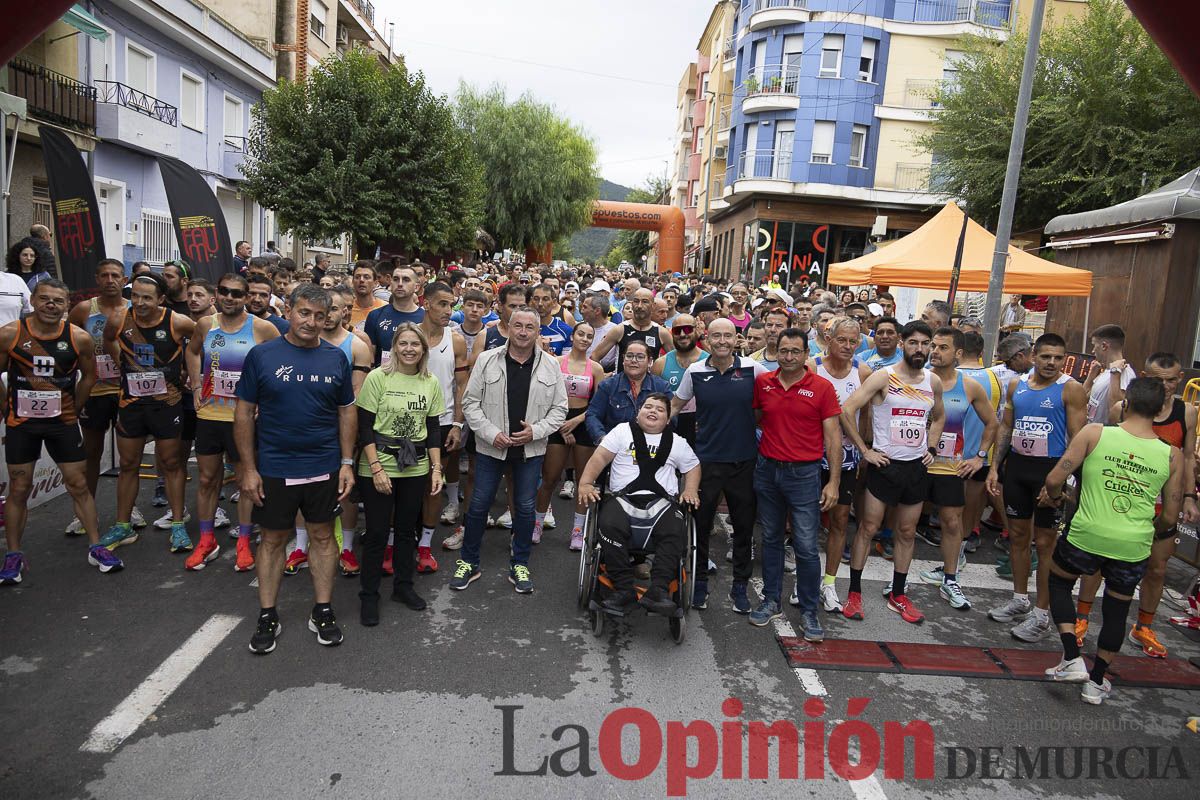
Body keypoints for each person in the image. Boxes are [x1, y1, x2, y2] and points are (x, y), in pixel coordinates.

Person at [1041, 378, 1182, 705]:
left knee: (1059, 584)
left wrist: (1059, 497)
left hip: (1086, 532)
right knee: (1117, 609)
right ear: (1161, 409)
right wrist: (1144, 527)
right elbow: (1170, 518)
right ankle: (1097, 681)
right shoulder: (1172, 455)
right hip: (1132, 544)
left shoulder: (1095, 433)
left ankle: (1072, 656)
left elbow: (1053, 479)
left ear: (1126, 403)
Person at [237, 284, 357, 653]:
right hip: (274, 467)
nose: (312, 322)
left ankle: (322, 610)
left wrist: (347, 462)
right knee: (273, 539)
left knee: (322, 538)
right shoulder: (262, 355)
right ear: (289, 310)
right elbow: (243, 412)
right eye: (305, 313)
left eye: (320, 316)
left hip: (322, 466)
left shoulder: (336, 357)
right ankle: (267, 614)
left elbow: (346, 411)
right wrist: (248, 468)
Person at [1075, 352, 1199, 657]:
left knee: (1157, 569)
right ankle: (1081, 619)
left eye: (1171, 380)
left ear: (1180, 379)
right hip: (1121, 497)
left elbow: (1187, 456)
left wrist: (1188, 496)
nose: (1166, 386)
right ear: (1144, 376)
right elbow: (1103, 446)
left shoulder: (1188, 412)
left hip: (1160, 504)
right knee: (1099, 563)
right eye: (1158, 380)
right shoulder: (1122, 408)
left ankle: (1143, 626)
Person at [0, 280, 123, 584]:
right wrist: (6, 406)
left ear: (67, 304)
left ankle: (96, 546)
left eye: (58, 300)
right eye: (45, 299)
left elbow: (89, 377)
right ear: (33, 300)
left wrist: (73, 408)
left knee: (78, 483)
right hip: (21, 423)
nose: (51, 305)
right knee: (18, 487)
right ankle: (13, 555)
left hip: (62, 422)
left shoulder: (78, 338)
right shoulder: (11, 333)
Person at [451, 306, 568, 594]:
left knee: (526, 509)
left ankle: (520, 563)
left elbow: (560, 409)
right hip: (491, 449)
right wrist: (492, 434)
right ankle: (469, 562)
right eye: (518, 326)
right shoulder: (487, 360)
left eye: (530, 327)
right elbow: (470, 403)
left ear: (538, 331)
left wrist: (535, 432)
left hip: (530, 450)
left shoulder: (552, 366)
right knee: (478, 505)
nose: (523, 332)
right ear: (508, 327)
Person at [839, 321, 946, 625]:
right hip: (885, 466)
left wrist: (933, 448)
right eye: (914, 343)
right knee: (868, 528)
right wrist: (865, 450)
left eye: (926, 344)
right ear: (902, 343)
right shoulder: (884, 377)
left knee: (907, 532)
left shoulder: (933, 381)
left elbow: (939, 418)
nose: (920, 349)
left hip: (915, 467)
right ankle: (854, 593)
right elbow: (847, 409)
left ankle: (898, 595)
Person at [986, 333, 1087, 642]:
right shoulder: (1018, 385)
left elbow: (1079, 441)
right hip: (1017, 468)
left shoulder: (1071, 389)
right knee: (1017, 537)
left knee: (1045, 545)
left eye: (1058, 357)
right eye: (1045, 357)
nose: (1051, 363)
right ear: (1033, 356)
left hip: (1049, 471)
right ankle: (1019, 599)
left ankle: (1042, 615)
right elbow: (1006, 426)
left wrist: (1061, 481)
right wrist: (994, 467)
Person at [750, 328, 843, 637]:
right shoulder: (763, 383)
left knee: (804, 546)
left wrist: (833, 483)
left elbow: (833, 439)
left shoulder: (822, 388)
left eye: (795, 352)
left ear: (806, 354)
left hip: (804, 475)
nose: (788, 357)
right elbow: (758, 419)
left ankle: (808, 610)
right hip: (768, 471)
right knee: (772, 540)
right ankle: (772, 599)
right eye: (783, 351)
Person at [184, 273, 280, 572]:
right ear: (217, 293)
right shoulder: (205, 324)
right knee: (206, 479)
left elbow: (279, 363)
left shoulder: (263, 328)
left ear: (247, 297)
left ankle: (244, 542)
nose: (230, 297)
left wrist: (265, 401)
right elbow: (192, 350)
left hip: (243, 419)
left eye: (237, 294)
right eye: (224, 291)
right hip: (210, 415)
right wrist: (197, 384)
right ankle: (206, 539)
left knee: (246, 482)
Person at [672, 319, 768, 613]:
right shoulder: (695, 370)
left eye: (728, 335)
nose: (722, 341)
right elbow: (675, 405)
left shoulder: (755, 369)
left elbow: (771, 405)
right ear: (707, 339)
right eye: (716, 336)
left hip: (744, 461)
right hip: (707, 462)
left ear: (736, 338)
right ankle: (699, 584)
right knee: (700, 527)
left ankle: (740, 587)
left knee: (743, 528)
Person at [579, 393, 701, 617]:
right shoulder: (621, 432)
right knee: (608, 524)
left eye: (660, 409)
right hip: (623, 500)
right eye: (648, 407)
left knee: (675, 530)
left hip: (662, 504)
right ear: (638, 413)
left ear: (667, 419)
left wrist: (690, 489)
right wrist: (585, 483)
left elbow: (693, 467)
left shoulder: (677, 442)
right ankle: (624, 590)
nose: (653, 411)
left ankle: (659, 590)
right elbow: (599, 458)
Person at [98, 274, 195, 554]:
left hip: (167, 403)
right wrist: (121, 364)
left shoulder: (176, 321)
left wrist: (189, 370)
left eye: (147, 297)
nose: (139, 302)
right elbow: (107, 340)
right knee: (128, 464)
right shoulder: (119, 318)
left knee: (171, 464)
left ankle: (178, 523)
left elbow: (200, 338)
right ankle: (123, 524)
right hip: (131, 403)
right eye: (136, 296)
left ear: (161, 299)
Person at [356, 323, 444, 623]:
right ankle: (369, 595)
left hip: (415, 466)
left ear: (423, 349)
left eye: (415, 344)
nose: (409, 349)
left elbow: (433, 429)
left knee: (407, 531)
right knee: (378, 533)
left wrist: (436, 468)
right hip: (378, 464)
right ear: (394, 347)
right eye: (403, 344)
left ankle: (403, 587)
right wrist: (376, 468)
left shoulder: (430, 382)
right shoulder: (378, 378)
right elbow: (364, 426)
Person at [916, 327, 999, 610]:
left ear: (958, 354)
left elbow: (993, 423)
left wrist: (978, 457)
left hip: (949, 467)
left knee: (952, 523)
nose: (935, 352)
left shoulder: (969, 386)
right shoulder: (917, 379)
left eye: (942, 347)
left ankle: (950, 578)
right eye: (933, 346)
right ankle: (898, 579)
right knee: (906, 524)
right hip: (915, 464)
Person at [66, 260, 147, 532]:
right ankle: (84, 512)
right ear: (97, 279)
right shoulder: (83, 310)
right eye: (104, 275)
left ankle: (128, 507)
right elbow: (67, 344)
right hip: (95, 391)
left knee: (129, 458)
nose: (110, 280)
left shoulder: (136, 309)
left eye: (115, 275)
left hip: (127, 390)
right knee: (91, 453)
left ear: (124, 279)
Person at [810, 317, 873, 613]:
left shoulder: (862, 372)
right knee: (805, 523)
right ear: (828, 339)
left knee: (839, 522)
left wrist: (865, 450)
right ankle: (807, 581)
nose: (848, 346)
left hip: (847, 459)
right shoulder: (813, 367)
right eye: (842, 340)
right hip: (811, 456)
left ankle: (829, 583)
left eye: (853, 341)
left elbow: (868, 416)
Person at [534, 323, 605, 550]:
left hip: (583, 422)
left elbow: (598, 404)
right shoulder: (555, 363)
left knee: (583, 481)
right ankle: (536, 524)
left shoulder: (596, 368)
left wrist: (575, 422)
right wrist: (561, 424)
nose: (584, 339)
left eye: (589, 336)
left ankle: (577, 531)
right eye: (581, 334)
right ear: (572, 337)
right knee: (550, 478)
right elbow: (546, 395)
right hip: (557, 421)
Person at [415, 283, 468, 571]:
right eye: (442, 304)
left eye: (452, 304)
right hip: (408, 421)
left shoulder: (456, 340)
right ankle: (398, 539)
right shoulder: (407, 335)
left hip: (443, 421)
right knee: (407, 486)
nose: (449, 311)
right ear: (426, 303)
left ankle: (425, 544)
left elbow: (461, 386)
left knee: (433, 486)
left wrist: (457, 423)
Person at [957, 332, 1003, 554]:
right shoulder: (994, 379)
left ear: (957, 351)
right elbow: (997, 418)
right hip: (981, 455)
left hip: (951, 456)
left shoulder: (949, 376)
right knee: (973, 503)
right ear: (982, 353)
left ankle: (955, 552)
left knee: (952, 508)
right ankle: (969, 536)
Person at [586, 339, 673, 445]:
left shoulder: (662, 387)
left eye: (640, 357)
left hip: (652, 447)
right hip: (615, 447)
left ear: (650, 361)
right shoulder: (608, 385)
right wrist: (602, 439)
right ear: (623, 359)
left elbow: (672, 418)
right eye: (629, 356)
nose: (634, 360)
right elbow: (593, 415)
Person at [651, 314, 707, 445]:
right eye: (677, 330)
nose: (682, 334)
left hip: (701, 430)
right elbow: (652, 398)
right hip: (669, 428)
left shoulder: (708, 362)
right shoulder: (660, 364)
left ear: (696, 331)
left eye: (687, 329)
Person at [591, 288, 673, 373]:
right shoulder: (620, 329)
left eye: (645, 301)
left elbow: (676, 360)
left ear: (652, 305)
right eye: (636, 301)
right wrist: (601, 377)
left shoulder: (661, 333)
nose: (640, 306)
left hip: (649, 385)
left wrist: (661, 381)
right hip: (622, 385)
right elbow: (595, 356)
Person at [364, 265, 425, 365]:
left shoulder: (425, 318)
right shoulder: (375, 316)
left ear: (416, 286)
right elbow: (370, 359)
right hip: (383, 378)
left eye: (406, 280)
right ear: (391, 283)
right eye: (396, 279)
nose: (400, 284)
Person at [1083, 324, 1136, 424]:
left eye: (1094, 345)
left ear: (1104, 346)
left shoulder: (1125, 373)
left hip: (1104, 435)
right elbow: (1082, 399)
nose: (1093, 350)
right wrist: (1091, 376)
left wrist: (1115, 373)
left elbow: (1117, 412)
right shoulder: (1105, 372)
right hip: (1091, 431)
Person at [470, 283, 528, 366]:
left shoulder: (533, 337)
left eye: (522, 306)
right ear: (500, 306)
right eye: (513, 306)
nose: (518, 311)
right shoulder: (484, 336)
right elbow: (474, 372)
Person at [531, 283, 573, 355]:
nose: (540, 303)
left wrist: (549, 356)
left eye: (545, 299)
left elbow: (566, 363)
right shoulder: (523, 328)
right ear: (531, 301)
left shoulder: (565, 331)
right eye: (536, 299)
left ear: (553, 302)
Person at [579, 293, 617, 371]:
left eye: (585, 307)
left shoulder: (615, 331)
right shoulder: (579, 328)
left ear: (597, 311)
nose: (581, 311)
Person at [349, 260, 386, 331]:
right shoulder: (347, 310)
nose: (361, 280)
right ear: (353, 282)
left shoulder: (385, 308)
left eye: (366, 277)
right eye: (357, 277)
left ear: (375, 283)